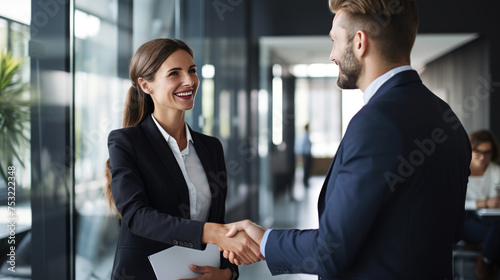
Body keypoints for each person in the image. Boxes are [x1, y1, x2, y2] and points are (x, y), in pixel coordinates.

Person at [223, 0, 472, 279]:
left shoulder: (376, 123)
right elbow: (452, 229)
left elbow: (329, 252)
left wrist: (265, 240)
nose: (332, 55)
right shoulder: (447, 118)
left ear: (360, 42)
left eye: (335, 40)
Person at [104, 38, 262, 280]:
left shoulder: (211, 147)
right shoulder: (126, 142)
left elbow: (217, 221)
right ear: (146, 85)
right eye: (174, 74)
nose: (189, 81)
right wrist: (212, 233)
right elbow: (137, 217)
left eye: (192, 71)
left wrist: (227, 274)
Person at [462, 129, 500, 280]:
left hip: (489, 221)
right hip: (465, 220)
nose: (483, 157)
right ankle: (486, 263)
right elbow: (454, 203)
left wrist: (495, 202)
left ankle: (485, 260)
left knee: (497, 227)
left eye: (487, 152)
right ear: (470, 149)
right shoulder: (460, 170)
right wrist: (482, 203)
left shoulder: (495, 171)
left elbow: (495, 197)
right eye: (478, 151)